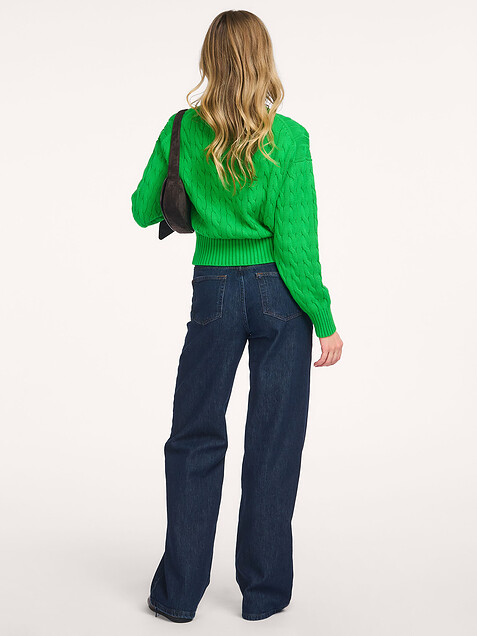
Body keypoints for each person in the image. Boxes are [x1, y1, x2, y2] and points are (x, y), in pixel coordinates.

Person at [131, 9, 343, 623]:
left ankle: (178, 595)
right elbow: (297, 245)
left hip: (214, 291)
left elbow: (143, 210)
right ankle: (263, 595)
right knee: (275, 441)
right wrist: (324, 319)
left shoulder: (181, 130)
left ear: (209, 59)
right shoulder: (291, 139)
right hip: (281, 297)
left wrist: (196, 190)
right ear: (263, 60)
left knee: (194, 435)